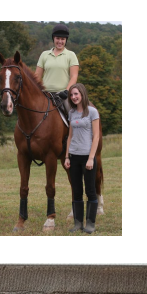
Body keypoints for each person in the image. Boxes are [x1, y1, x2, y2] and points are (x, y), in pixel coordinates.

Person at [64, 83, 100, 234]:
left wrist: (91, 158)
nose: (73, 97)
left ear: (82, 94)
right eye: (71, 95)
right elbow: (70, 136)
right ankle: (78, 223)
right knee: (76, 191)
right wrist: (67, 156)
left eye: (76, 94)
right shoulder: (71, 113)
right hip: (74, 157)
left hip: (87, 157)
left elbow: (96, 136)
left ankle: (90, 224)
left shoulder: (92, 112)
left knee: (90, 191)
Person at [35, 24, 79, 111]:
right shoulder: (44, 54)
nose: (60, 41)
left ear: (66, 40)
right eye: (57, 38)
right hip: (45, 94)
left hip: (63, 95)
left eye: (63, 39)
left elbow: (74, 76)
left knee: (73, 116)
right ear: (53, 39)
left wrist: (67, 91)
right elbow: (37, 76)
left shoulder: (71, 55)